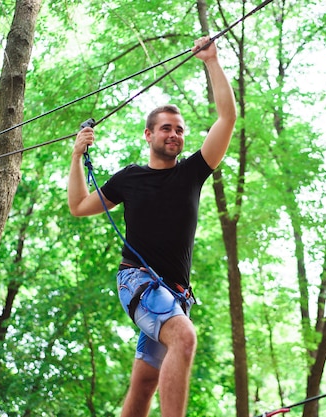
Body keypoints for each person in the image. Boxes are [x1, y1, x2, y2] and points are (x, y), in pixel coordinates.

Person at [68, 35, 236, 417]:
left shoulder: (193, 172)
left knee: (145, 383)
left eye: (178, 129)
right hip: (138, 280)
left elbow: (227, 119)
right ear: (149, 134)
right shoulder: (130, 178)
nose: (174, 134)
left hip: (174, 294)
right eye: (165, 128)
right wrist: (77, 157)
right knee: (184, 336)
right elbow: (79, 206)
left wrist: (211, 61)